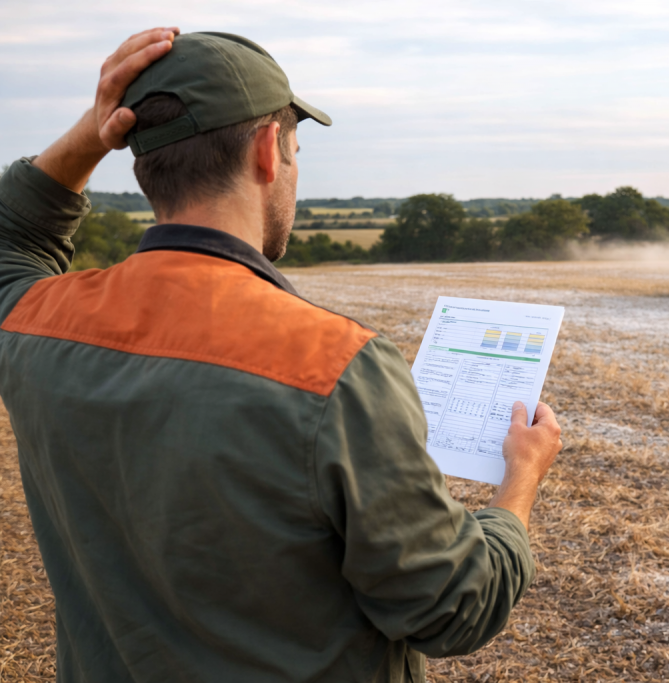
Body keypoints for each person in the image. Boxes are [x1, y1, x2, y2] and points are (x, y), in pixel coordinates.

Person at [0, 28, 562, 682]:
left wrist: (90, 132)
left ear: (138, 160)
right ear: (269, 152)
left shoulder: (36, 321)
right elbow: (452, 607)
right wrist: (520, 480)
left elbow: (13, 232)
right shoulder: (336, 366)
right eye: (295, 150)